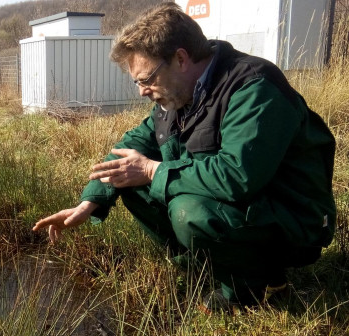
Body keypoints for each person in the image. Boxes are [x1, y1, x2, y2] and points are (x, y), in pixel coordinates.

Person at [32, 2, 336, 313]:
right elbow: (131, 145)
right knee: (131, 181)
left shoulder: (253, 88)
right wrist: (89, 203)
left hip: (294, 220)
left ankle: (256, 287)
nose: (141, 91)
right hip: (248, 211)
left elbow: (236, 176)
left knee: (188, 210)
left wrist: (153, 171)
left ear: (180, 58)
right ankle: (205, 267)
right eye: (136, 82)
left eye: (146, 79)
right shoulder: (178, 95)